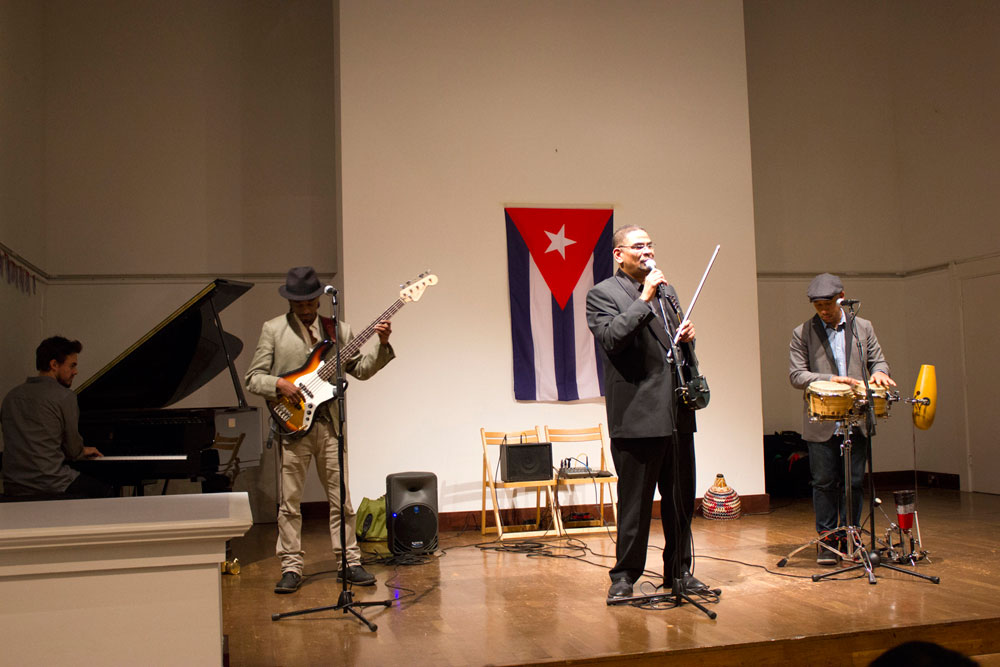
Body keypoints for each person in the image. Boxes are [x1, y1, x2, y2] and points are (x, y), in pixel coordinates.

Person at [246, 266, 395, 594]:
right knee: (290, 502)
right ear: (290, 302)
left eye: (310, 301)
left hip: (328, 424)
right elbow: (253, 377)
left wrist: (381, 344)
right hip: (292, 425)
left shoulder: (338, 329)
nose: (305, 307)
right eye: (298, 302)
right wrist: (279, 384)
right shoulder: (273, 330)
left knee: (341, 498)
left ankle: (349, 561)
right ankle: (291, 566)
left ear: (318, 299)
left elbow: (361, 370)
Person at [586, 225, 704, 601]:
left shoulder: (668, 294)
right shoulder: (602, 294)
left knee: (680, 499)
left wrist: (687, 339)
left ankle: (679, 572)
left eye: (650, 244)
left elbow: (676, 353)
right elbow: (611, 339)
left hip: (676, 413)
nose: (647, 251)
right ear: (619, 254)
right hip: (637, 416)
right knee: (635, 504)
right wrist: (645, 298)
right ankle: (624, 577)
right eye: (639, 246)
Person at [789, 272, 896, 565]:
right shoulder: (803, 332)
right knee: (824, 482)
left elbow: (878, 360)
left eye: (828, 304)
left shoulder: (863, 327)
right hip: (822, 420)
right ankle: (827, 541)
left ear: (842, 297)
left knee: (854, 481)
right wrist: (832, 378)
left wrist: (881, 372)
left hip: (857, 417)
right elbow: (797, 375)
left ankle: (852, 536)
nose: (823, 310)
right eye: (818, 305)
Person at [1, 336, 108, 499]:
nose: (75, 371)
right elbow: (73, 451)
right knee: (105, 491)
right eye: (72, 365)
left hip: (14, 486)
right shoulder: (64, 397)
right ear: (54, 365)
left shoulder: (11, 397)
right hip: (51, 484)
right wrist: (82, 450)